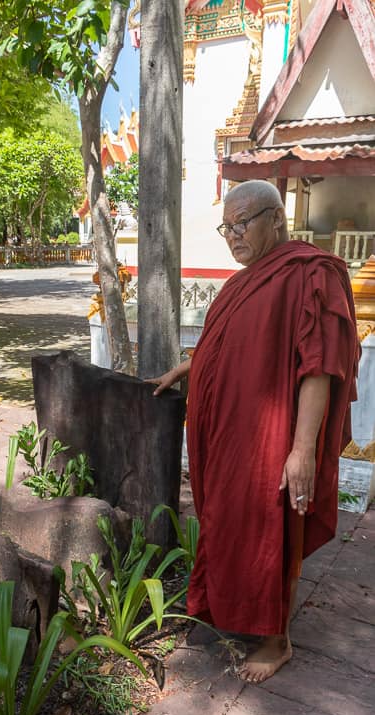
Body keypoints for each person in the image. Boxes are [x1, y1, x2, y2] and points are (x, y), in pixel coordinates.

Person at [149, 180, 359, 683]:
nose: (233, 235)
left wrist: (302, 450)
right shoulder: (241, 282)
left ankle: (275, 638)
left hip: (272, 433)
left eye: (243, 223)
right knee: (226, 519)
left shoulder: (310, 272)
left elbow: (319, 368)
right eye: (227, 226)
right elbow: (235, 346)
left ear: (277, 220)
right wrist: (187, 368)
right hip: (229, 435)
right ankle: (231, 608)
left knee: (270, 526)